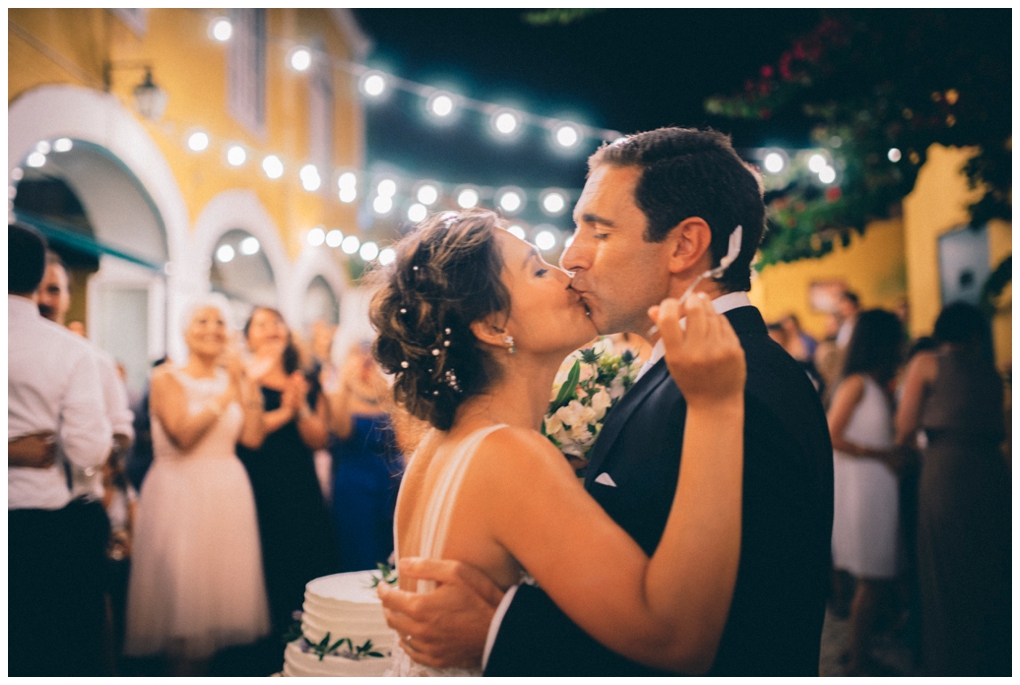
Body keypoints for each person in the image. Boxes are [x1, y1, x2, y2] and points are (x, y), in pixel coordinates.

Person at [378, 128, 834, 676]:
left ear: (685, 245)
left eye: (597, 231)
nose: (571, 259)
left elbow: (749, 630)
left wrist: (505, 633)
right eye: (544, 263)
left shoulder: (742, 385)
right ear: (492, 325)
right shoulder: (669, 385)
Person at [371, 209, 746, 676]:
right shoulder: (509, 455)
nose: (565, 273)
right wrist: (716, 407)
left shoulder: (440, 445)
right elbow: (674, 638)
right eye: (537, 268)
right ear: (492, 326)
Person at [124, 295, 270, 676]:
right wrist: (226, 393)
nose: (212, 329)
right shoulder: (166, 377)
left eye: (220, 322)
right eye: (202, 321)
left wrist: (243, 380)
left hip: (227, 490)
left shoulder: (233, 379)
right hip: (180, 492)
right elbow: (183, 435)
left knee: (216, 603)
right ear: (185, 332)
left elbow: (254, 437)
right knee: (182, 605)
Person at [8, 223, 114, 676]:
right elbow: (89, 449)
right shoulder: (70, 351)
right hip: (43, 525)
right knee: (53, 653)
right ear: (38, 281)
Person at [894, 302, 1009, 675]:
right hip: (992, 473)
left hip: (946, 471)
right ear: (976, 335)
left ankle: (946, 662)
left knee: (942, 568)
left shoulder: (926, 362)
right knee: (987, 565)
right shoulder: (992, 372)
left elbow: (904, 427)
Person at [36, 250, 136, 670]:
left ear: (67, 297)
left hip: (76, 507)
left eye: (54, 289)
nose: (44, 298)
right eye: (39, 287)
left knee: (78, 635)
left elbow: (120, 432)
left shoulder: (91, 359)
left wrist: (82, 449)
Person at [236, 307, 340, 643]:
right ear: (248, 336)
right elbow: (243, 433)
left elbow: (319, 439)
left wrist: (302, 408)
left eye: (277, 322)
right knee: (267, 560)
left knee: (308, 554)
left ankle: (311, 639)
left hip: (299, 480)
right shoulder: (240, 377)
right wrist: (286, 411)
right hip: (257, 480)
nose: (271, 329)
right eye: (261, 324)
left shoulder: (305, 378)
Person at [826, 309, 904, 675]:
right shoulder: (856, 383)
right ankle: (858, 662)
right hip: (863, 489)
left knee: (873, 577)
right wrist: (880, 454)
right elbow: (832, 435)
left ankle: (856, 649)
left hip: (874, 487)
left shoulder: (873, 385)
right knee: (871, 579)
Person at [328, 340, 405, 571]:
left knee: (391, 547)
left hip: (389, 480)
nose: (364, 359)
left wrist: (387, 395)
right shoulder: (337, 392)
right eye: (357, 353)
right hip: (355, 482)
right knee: (360, 548)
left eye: (369, 354)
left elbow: (401, 441)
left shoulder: (387, 392)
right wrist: (344, 384)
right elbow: (341, 431)